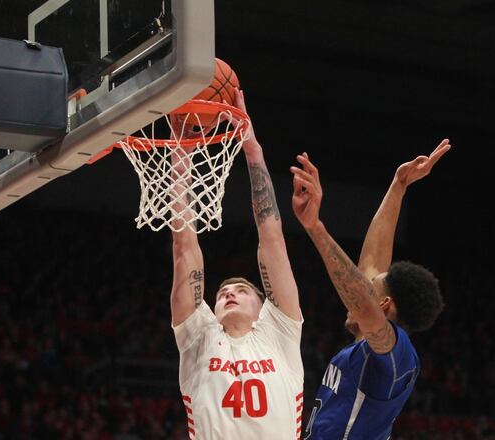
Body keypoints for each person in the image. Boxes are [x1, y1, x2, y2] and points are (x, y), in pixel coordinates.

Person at [290, 140, 450, 439]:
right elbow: (373, 263)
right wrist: (398, 184)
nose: (362, 285)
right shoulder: (367, 346)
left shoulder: (398, 357)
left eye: (370, 288)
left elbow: (363, 302)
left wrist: (315, 227)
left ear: (385, 305)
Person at [169, 90, 304, 439]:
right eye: (222, 293)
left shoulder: (280, 332)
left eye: (241, 290)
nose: (229, 294)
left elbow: (273, 238)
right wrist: (181, 155)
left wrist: (252, 149)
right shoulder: (200, 336)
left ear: (264, 308)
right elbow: (184, 247)